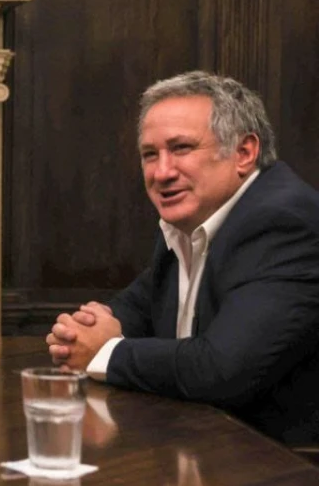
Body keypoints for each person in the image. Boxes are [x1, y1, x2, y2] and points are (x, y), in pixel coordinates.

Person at [46, 71, 319, 446]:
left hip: (284, 471)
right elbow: (136, 307)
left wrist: (104, 352)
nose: (162, 172)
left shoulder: (284, 222)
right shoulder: (190, 220)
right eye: (149, 155)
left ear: (243, 152)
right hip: (203, 449)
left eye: (181, 148)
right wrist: (80, 333)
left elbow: (223, 370)